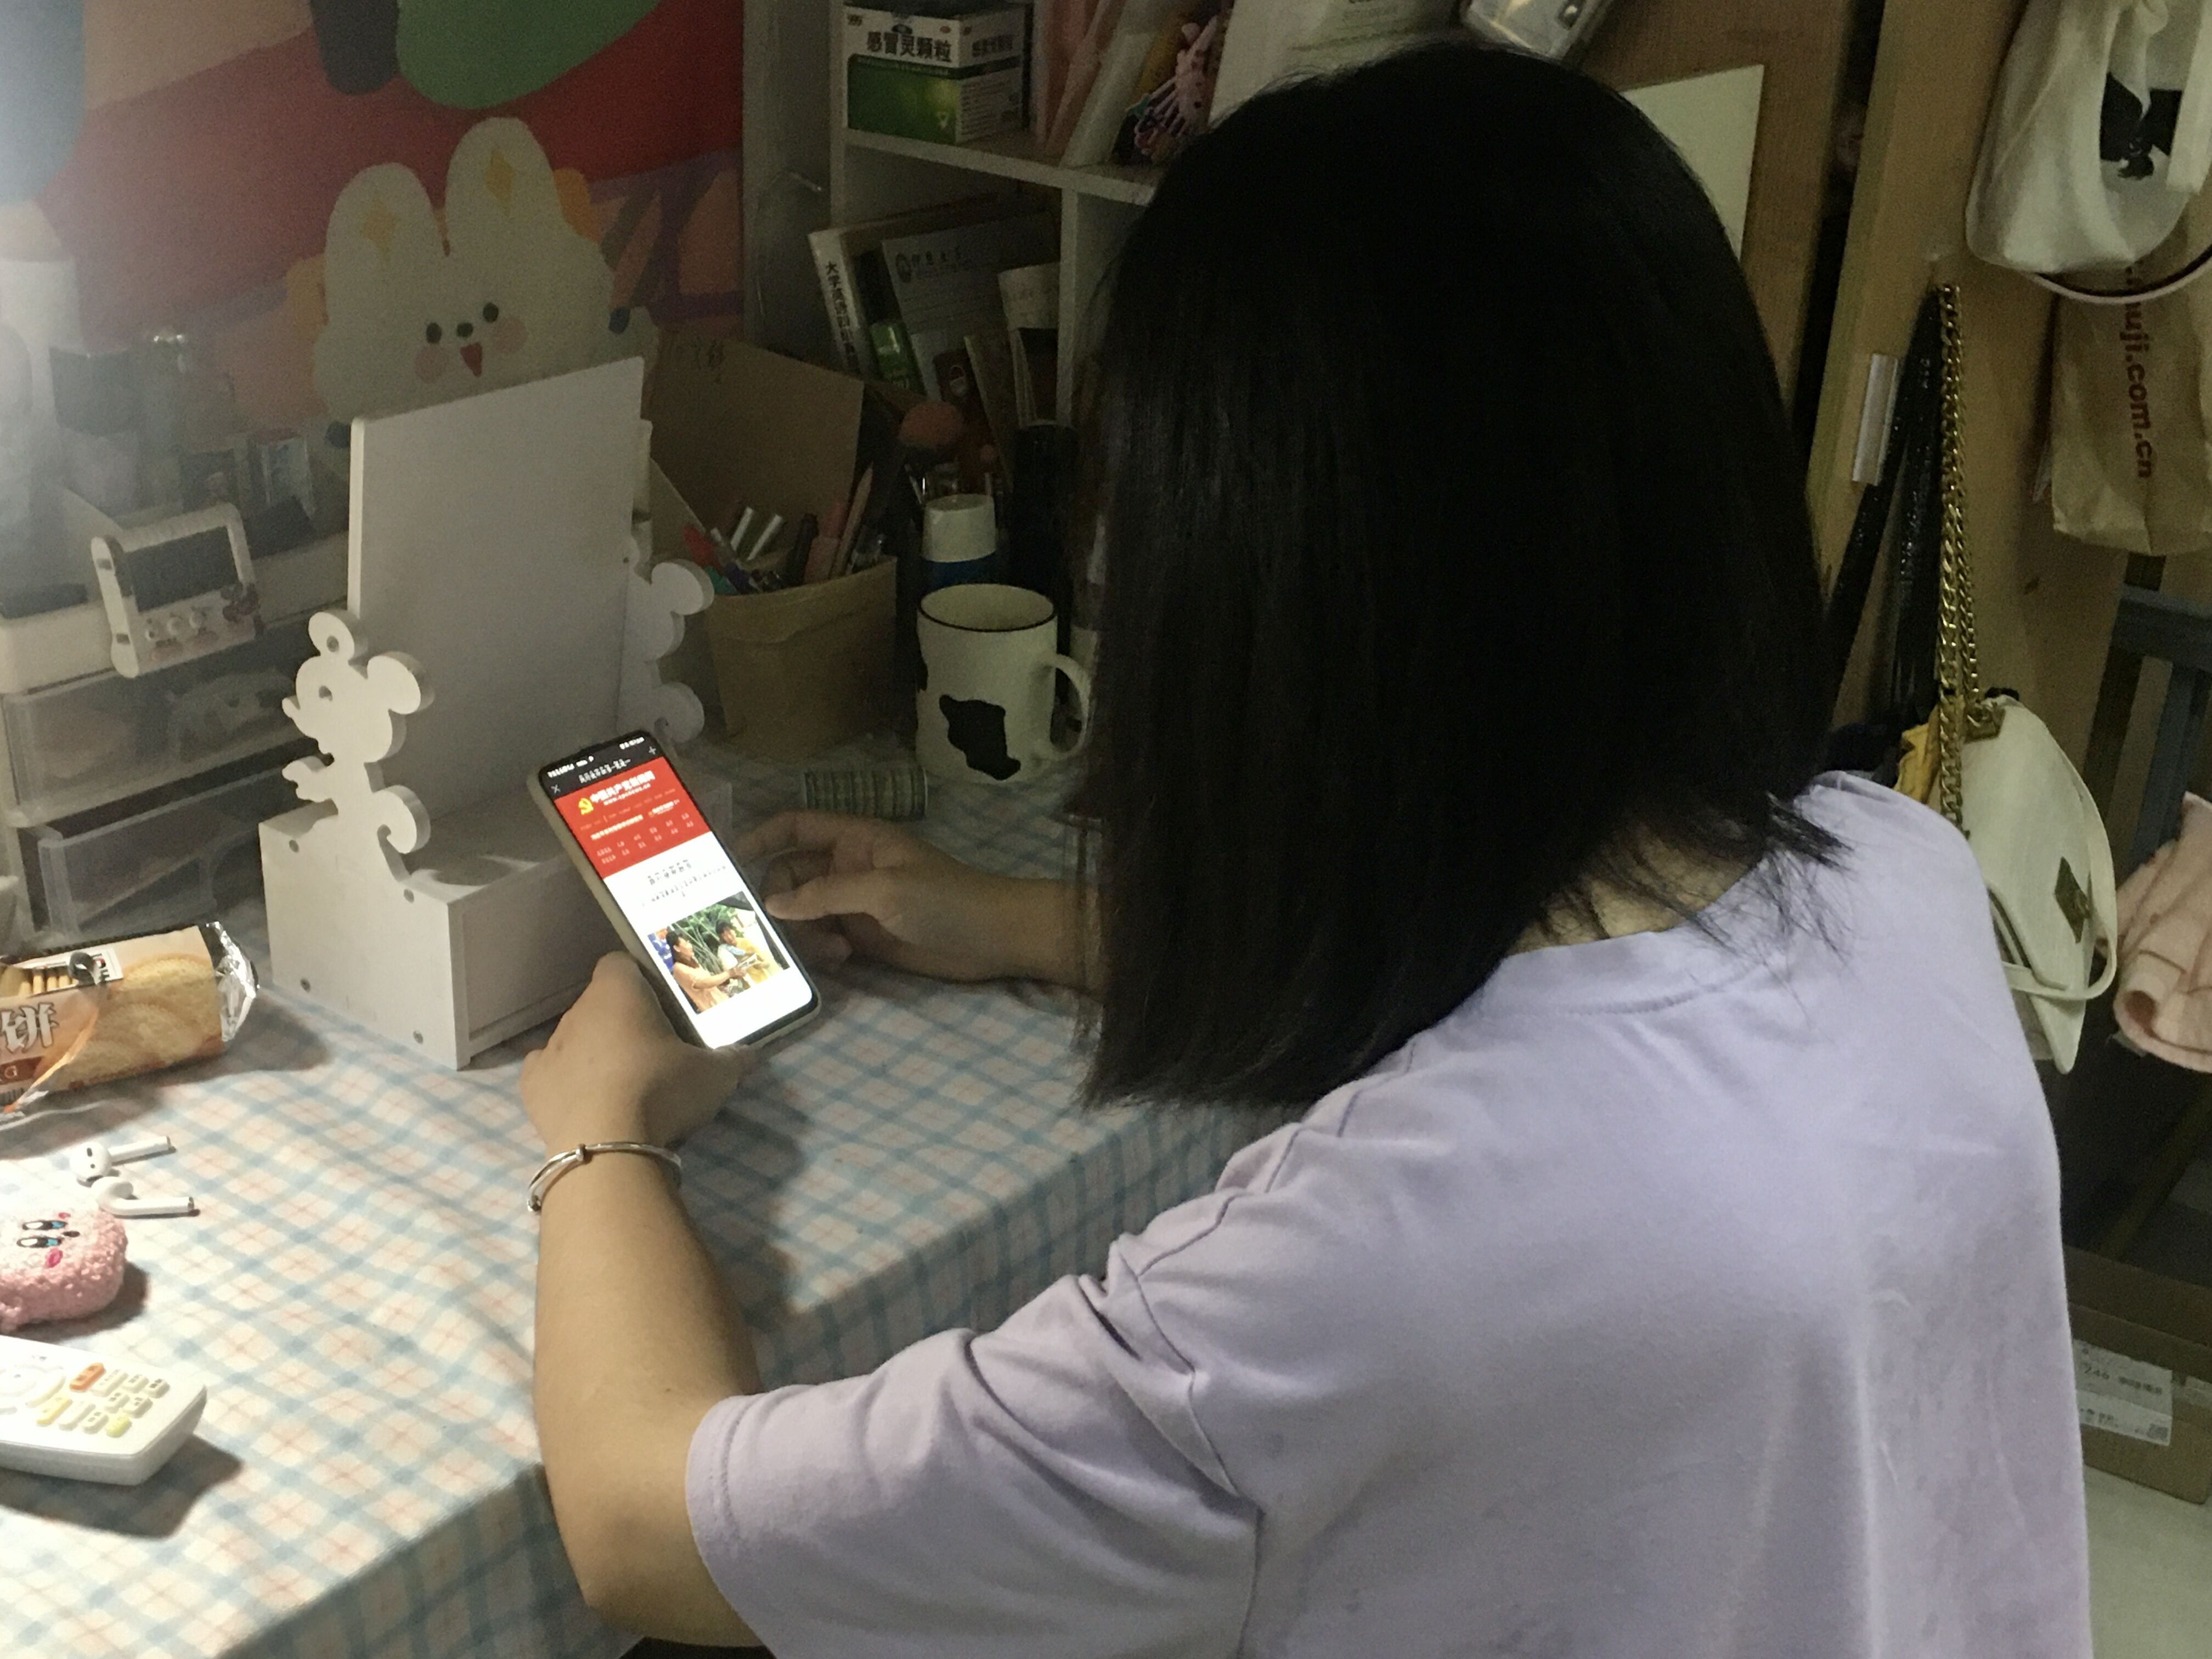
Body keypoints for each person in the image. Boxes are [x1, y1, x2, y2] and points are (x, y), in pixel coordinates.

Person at [518, 43, 2090, 1658]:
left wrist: (600, 1137)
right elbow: (1526, 973)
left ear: (1263, 611)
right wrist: (1013, 918)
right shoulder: (1898, 870)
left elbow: (648, 1531)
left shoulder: (1355, 1274)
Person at [665, 933, 731, 1013]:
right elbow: (704, 983)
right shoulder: (679, 968)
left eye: (689, 942)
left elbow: (708, 982)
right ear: (677, 948)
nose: (690, 946)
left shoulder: (693, 962)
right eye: (686, 944)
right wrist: (729, 973)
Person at [715, 920, 771, 989]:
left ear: (734, 930)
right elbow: (729, 974)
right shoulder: (725, 953)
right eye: (725, 936)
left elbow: (767, 963)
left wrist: (761, 965)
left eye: (730, 933)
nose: (729, 937)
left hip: (763, 981)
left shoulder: (745, 942)